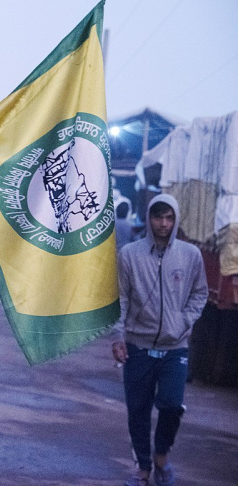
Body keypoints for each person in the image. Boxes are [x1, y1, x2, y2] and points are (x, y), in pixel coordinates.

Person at [111, 194, 208, 486]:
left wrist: (184, 320)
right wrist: (118, 336)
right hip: (138, 347)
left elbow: (200, 293)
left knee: (171, 405)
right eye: (157, 217)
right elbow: (121, 299)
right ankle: (142, 470)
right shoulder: (129, 254)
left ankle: (161, 456)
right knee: (138, 411)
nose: (163, 224)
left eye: (169, 218)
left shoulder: (191, 256)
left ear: (176, 219)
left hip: (174, 347)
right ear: (149, 218)